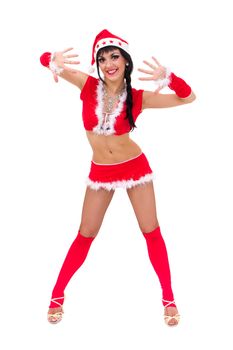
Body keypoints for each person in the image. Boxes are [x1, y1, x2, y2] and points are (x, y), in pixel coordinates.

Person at [40, 29, 196, 327]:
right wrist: (53, 59)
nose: (109, 62)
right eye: (102, 58)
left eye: (115, 56)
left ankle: (169, 298)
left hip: (134, 168)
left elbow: (187, 98)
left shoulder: (138, 98)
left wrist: (170, 77)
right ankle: (57, 294)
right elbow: (42, 59)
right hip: (101, 171)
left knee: (151, 231)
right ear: (97, 64)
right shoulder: (86, 86)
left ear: (125, 61)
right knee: (85, 234)